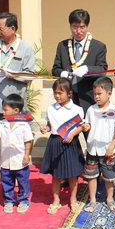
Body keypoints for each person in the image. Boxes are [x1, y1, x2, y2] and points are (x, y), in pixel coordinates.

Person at [0, 12, 36, 186]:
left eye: (1, 28)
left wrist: (13, 75)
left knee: (18, 138)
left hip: (16, 101)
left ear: (12, 28)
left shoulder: (25, 48)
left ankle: (20, 171)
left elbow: (30, 74)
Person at [39, 78, 85, 214]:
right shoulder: (51, 108)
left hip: (71, 143)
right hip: (55, 142)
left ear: (69, 93)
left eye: (60, 93)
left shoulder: (77, 109)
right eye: (55, 93)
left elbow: (80, 126)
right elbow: (50, 124)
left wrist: (72, 135)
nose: (57, 96)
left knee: (73, 175)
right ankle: (56, 200)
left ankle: (73, 200)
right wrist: (46, 129)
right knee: (56, 175)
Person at [0, 94, 34, 214]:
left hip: (20, 160)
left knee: (22, 181)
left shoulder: (24, 125)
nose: (3, 112)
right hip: (6, 160)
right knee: (7, 181)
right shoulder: (2, 124)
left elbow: (29, 141)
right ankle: (8, 200)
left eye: (5, 109)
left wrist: (27, 155)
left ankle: (23, 200)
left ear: (16, 110)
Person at [52, 9, 108, 114]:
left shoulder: (98, 46)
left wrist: (87, 69)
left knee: (89, 129)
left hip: (88, 97)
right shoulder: (63, 46)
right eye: (75, 27)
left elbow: (102, 70)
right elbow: (55, 69)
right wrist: (62, 73)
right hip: (67, 97)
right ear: (70, 26)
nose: (78, 31)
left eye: (82, 27)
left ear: (87, 26)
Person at [81, 77, 115, 212]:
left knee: (109, 177)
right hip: (93, 149)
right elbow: (88, 124)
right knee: (91, 176)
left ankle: (109, 198)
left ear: (109, 93)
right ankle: (92, 200)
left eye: (100, 94)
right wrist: (86, 127)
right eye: (95, 94)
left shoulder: (114, 111)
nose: (97, 97)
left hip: (107, 150)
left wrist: (112, 146)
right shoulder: (91, 110)